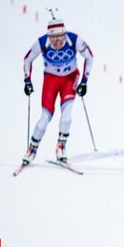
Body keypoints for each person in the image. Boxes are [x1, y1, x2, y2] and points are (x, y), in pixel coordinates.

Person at [21, 17, 94, 164]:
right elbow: (27, 60)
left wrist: (85, 82)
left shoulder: (74, 39)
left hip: (69, 78)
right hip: (51, 81)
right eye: (53, 38)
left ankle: (61, 146)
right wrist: (27, 80)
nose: (57, 42)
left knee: (67, 115)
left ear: (64, 34)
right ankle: (32, 149)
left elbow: (90, 57)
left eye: (60, 37)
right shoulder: (42, 42)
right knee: (44, 118)